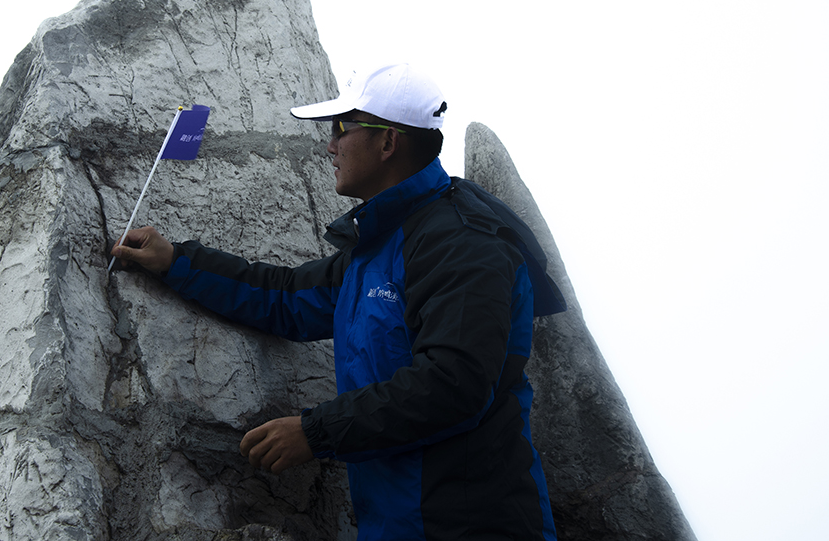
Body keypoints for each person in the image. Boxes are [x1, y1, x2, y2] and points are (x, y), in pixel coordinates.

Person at [111, 63, 565, 541]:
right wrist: (175, 261)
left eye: (340, 128)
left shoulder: (464, 242)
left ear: (388, 142)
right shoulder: (380, 246)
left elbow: (456, 385)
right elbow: (285, 298)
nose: (329, 145)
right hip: (396, 524)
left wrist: (316, 433)